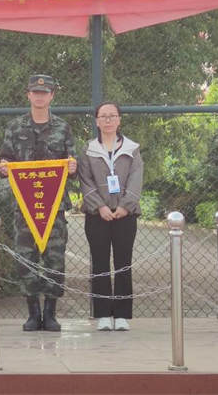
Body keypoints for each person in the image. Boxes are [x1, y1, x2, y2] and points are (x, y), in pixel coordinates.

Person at [0, 74, 77, 332]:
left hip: (54, 207)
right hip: (24, 206)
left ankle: (50, 313)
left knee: (55, 258)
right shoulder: (15, 127)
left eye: (44, 93)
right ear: (28, 95)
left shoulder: (63, 128)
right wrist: (3, 166)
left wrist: (73, 166)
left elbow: (71, 161)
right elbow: (4, 159)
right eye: (35, 92)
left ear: (52, 96)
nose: (40, 96)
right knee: (26, 259)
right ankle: (33, 313)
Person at [77, 102, 143, 332]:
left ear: (119, 120)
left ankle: (122, 315)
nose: (108, 120)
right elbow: (85, 181)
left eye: (112, 116)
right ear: (96, 121)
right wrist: (99, 207)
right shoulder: (88, 150)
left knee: (123, 263)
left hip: (125, 215)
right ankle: (103, 314)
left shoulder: (132, 149)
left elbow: (136, 180)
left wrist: (125, 206)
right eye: (103, 116)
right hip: (97, 216)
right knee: (100, 264)